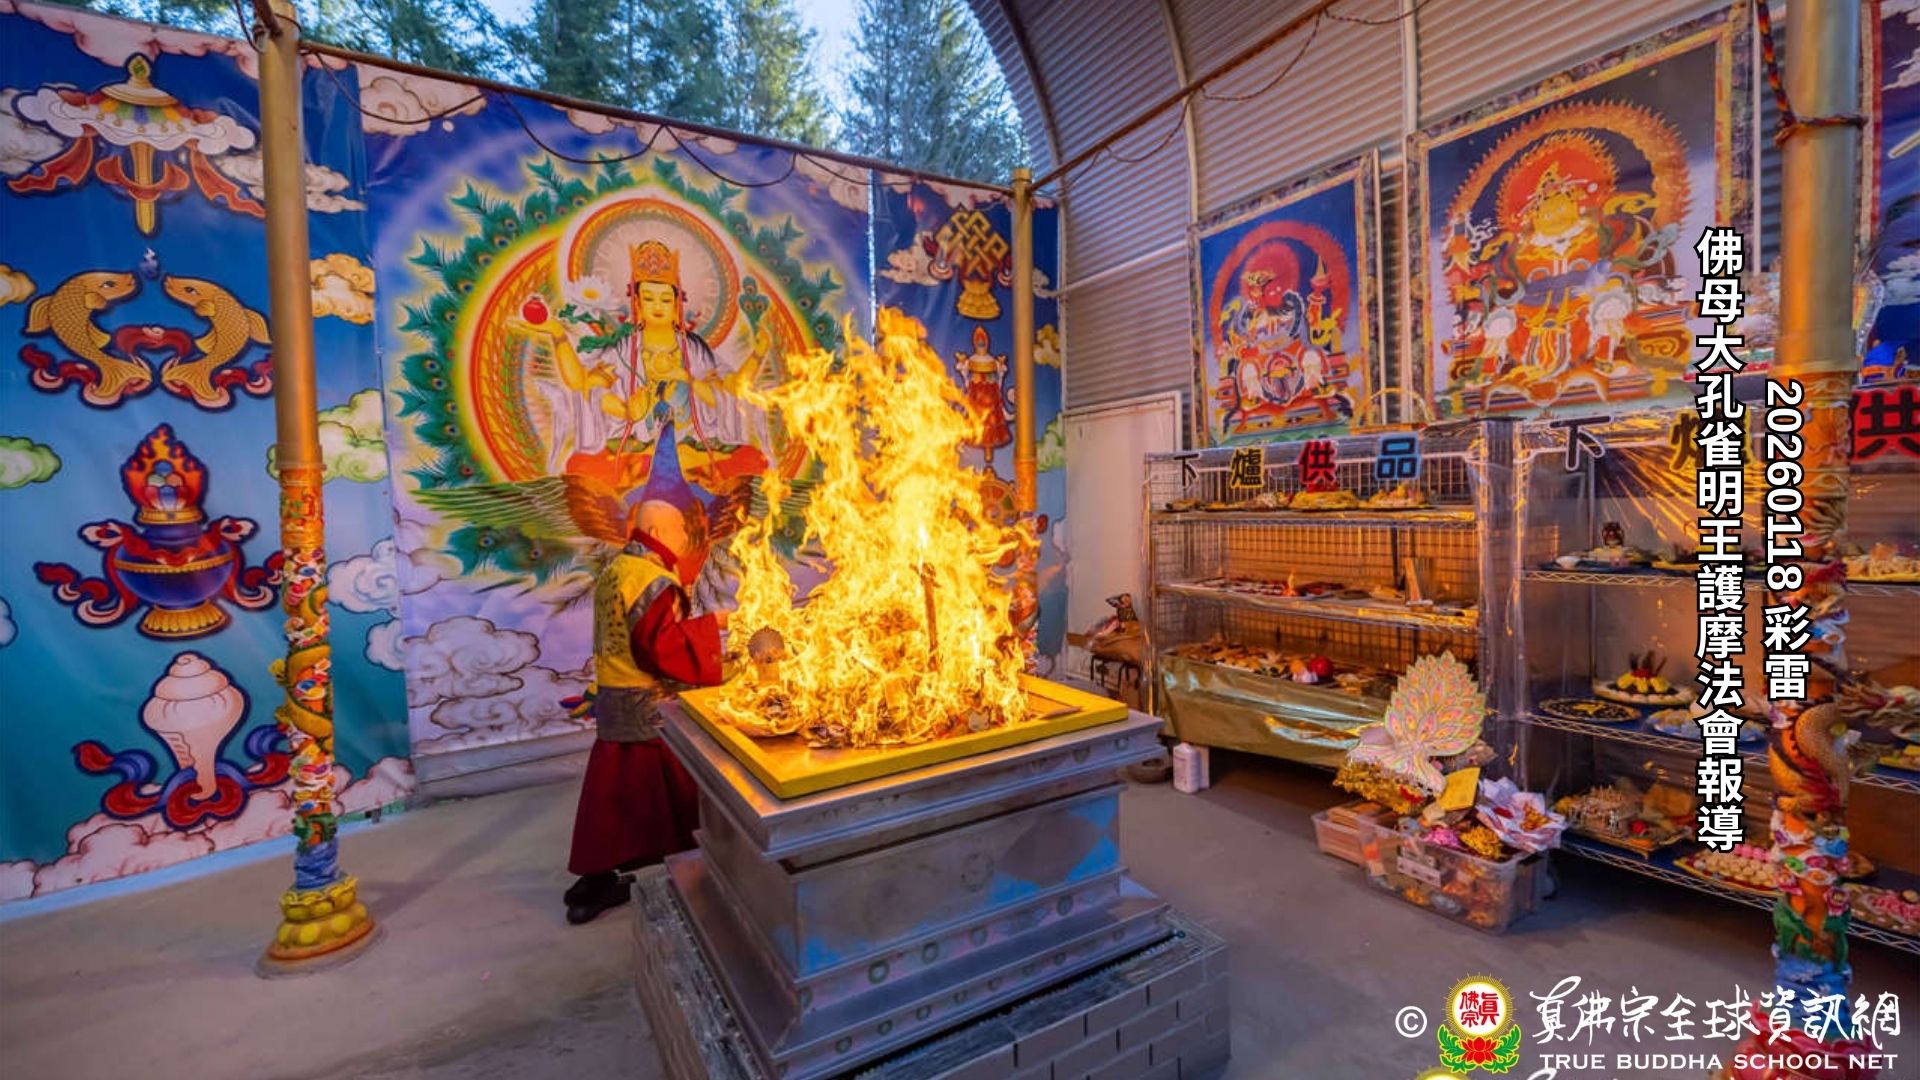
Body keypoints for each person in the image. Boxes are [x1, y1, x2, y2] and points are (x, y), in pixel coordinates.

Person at [564, 428, 725, 925]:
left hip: (617, 699)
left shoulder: (619, 569)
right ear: (659, 530)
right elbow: (661, 648)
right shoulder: (651, 578)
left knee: (614, 800)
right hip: (649, 707)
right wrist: (714, 629)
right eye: (678, 531)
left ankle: (594, 881)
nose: (683, 540)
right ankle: (703, 871)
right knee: (678, 794)